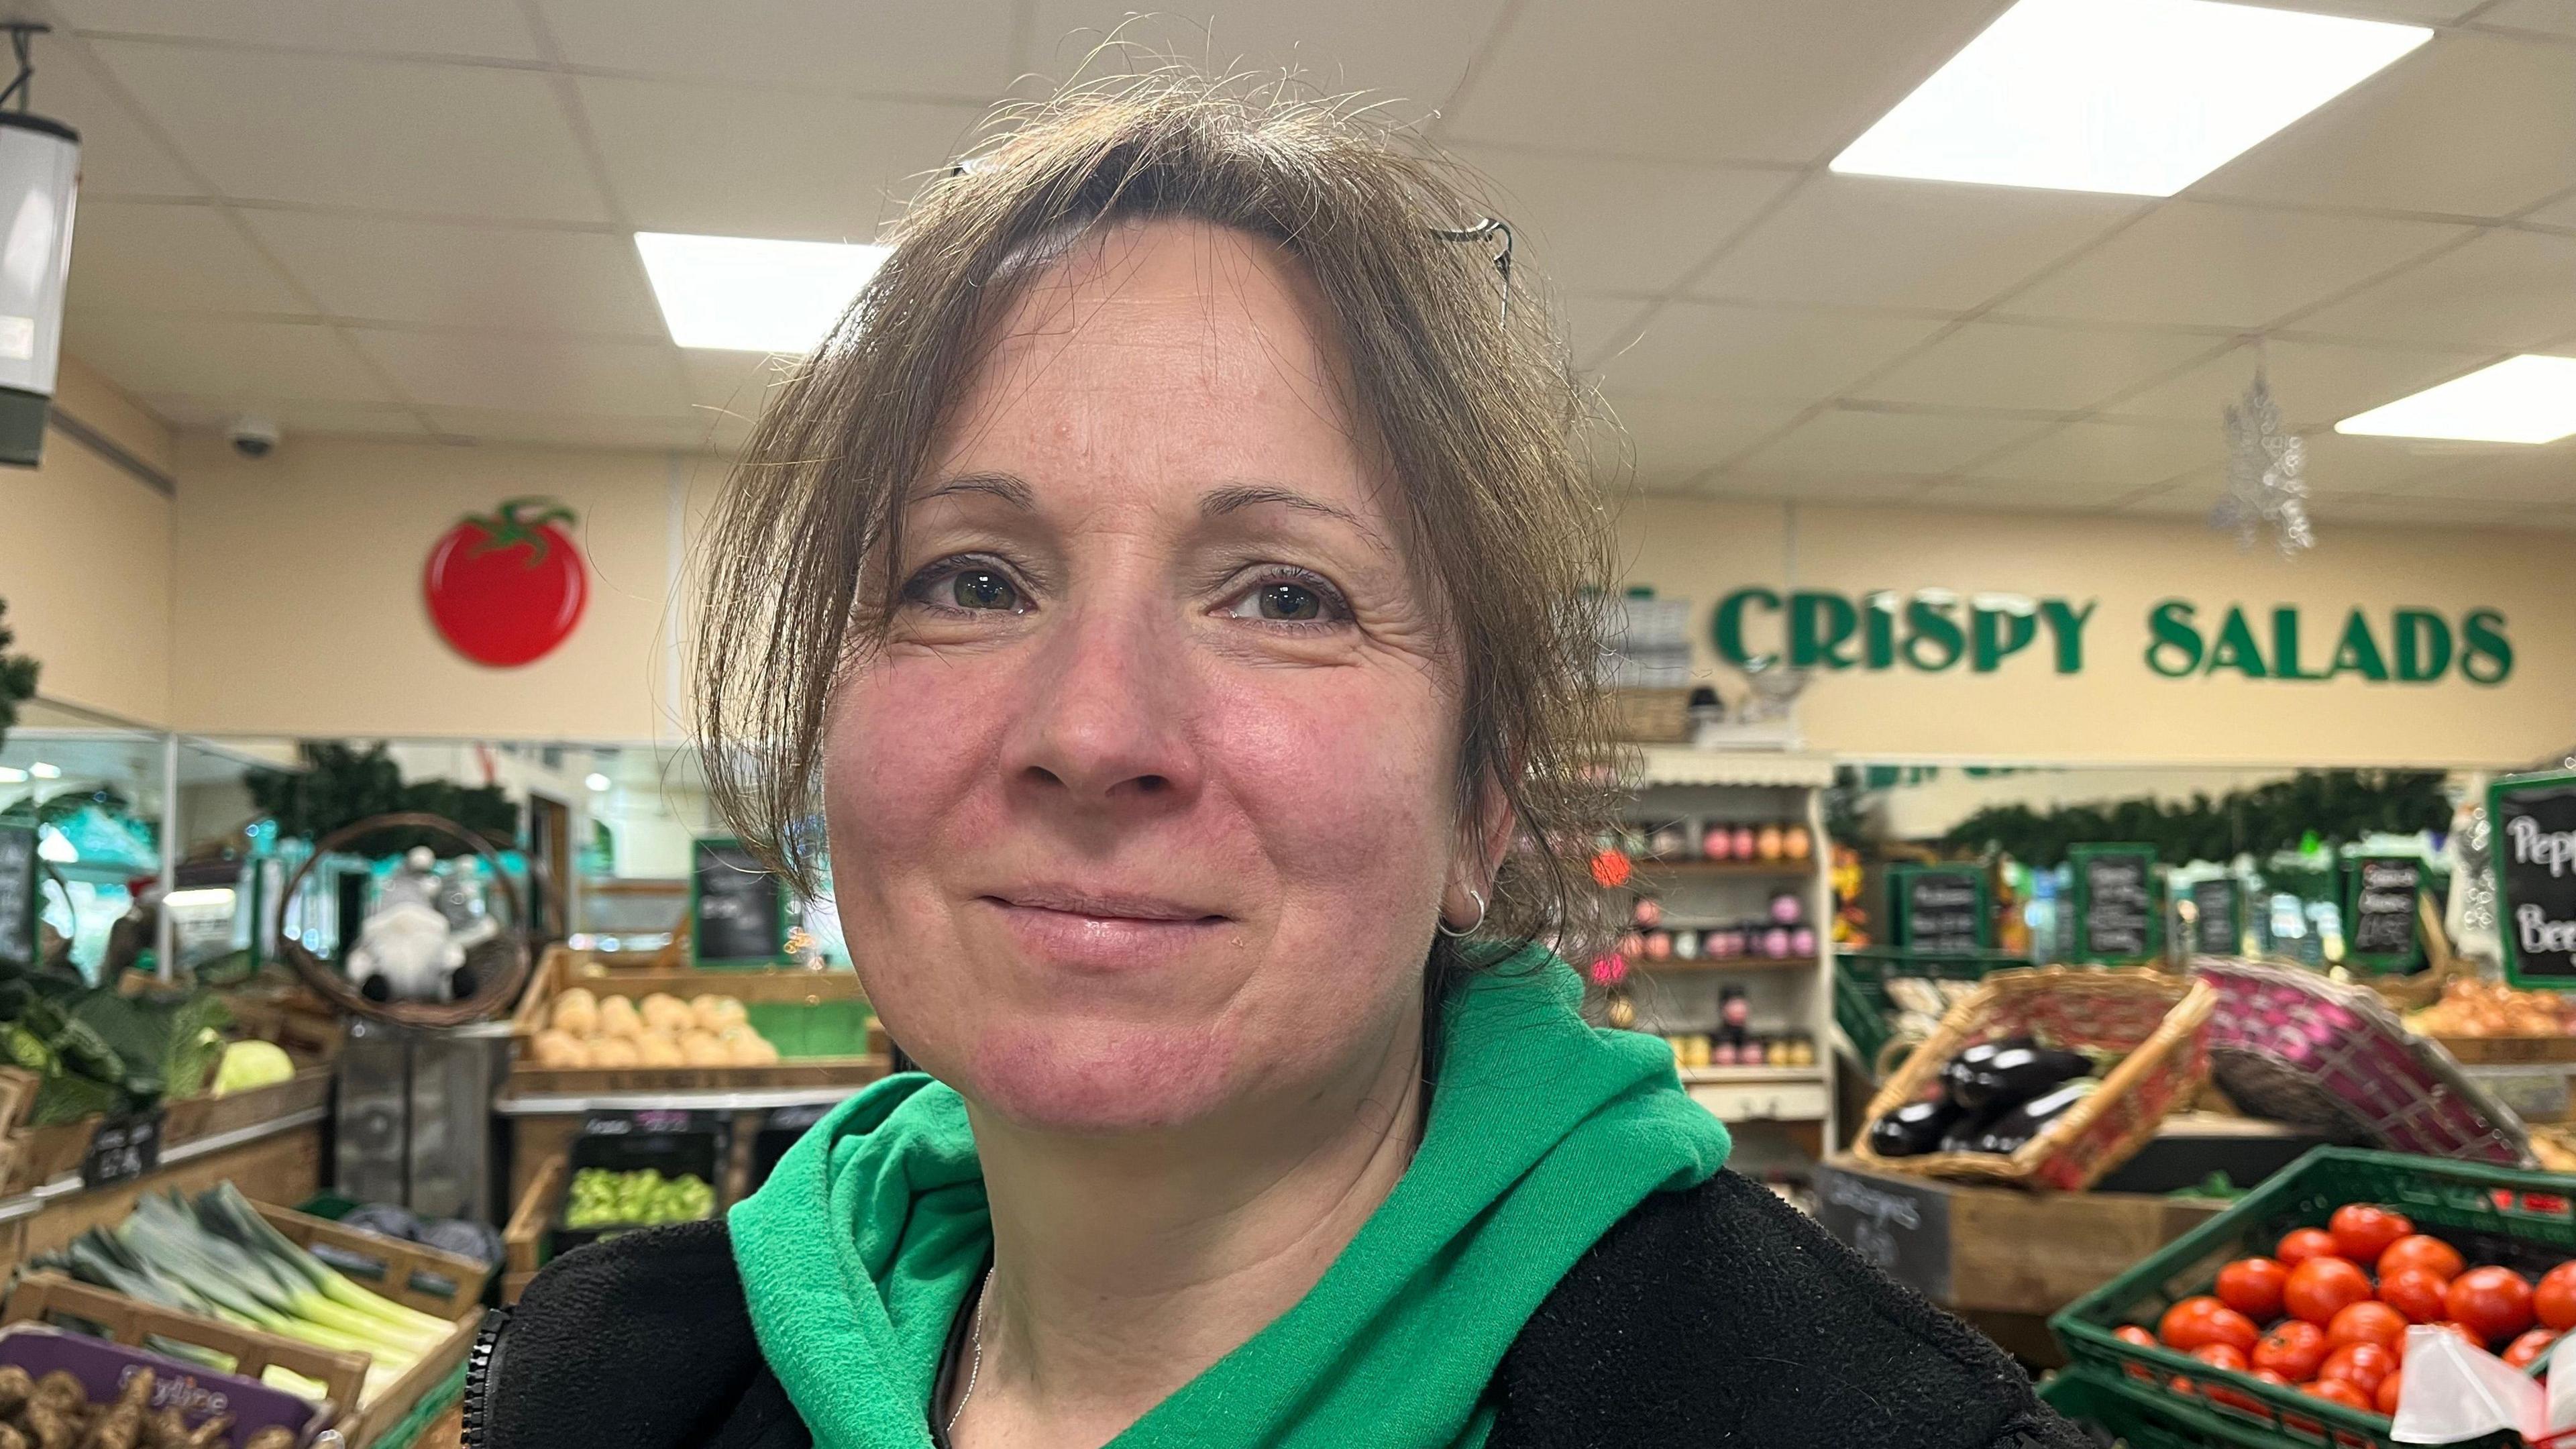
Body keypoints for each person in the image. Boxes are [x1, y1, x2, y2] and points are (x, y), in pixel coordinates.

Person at [468, 73, 2086, 1449]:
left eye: (1287, 598)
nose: (1092, 733)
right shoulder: (610, 1385)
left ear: (1483, 800)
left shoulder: (1838, 1416)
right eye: (972, 579)